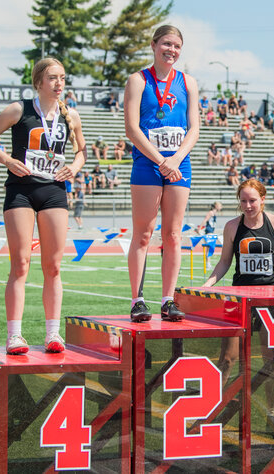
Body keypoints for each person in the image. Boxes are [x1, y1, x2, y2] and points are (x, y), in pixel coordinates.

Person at [0, 57, 87, 354]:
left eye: (62, 77)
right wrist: (8, 161)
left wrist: (74, 169)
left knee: (52, 266)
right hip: (21, 190)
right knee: (21, 263)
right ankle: (15, 334)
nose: (59, 83)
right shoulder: (18, 110)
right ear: (38, 82)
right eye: (52, 78)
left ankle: (53, 333)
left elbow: (81, 151)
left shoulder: (70, 116)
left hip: (54, 190)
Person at [203, 179, 274, 436]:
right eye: (243, 201)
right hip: (240, 300)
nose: (247, 205)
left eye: (252, 200)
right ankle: (213, 411)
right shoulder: (232, 226)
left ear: (263, 199)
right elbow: (225, 261)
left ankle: (271, 416)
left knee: (272, 359)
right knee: (227, 358)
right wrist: (208, 284)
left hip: (270, 300)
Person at [124, 25, 199, 323]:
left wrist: (176, 159)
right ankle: (138, 300)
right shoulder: (138, 80)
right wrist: (160, 160)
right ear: (154, 45)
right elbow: (132, 128)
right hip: (148, 163)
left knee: (172, 234)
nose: (172, 50)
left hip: (180, 163)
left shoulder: (188, 82)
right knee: (143, 232)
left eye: (177, 46)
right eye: (166, 44)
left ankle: (168, 300)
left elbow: (194, 127)